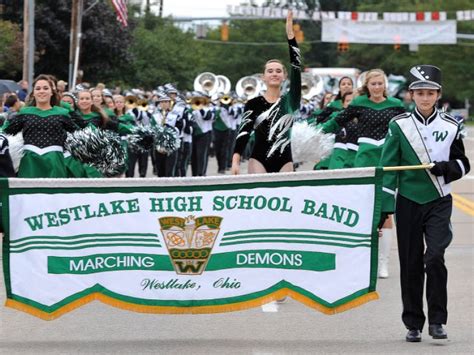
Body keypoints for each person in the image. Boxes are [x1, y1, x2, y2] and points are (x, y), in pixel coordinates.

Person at [380, 65, 470, 343]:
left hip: (438, 200)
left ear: (438, 94)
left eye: (430, 93)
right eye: (420, 93)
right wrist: (384, 207)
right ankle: (413, 323)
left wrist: (445, 167)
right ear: (411, 95)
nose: (425, 97)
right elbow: (387, 167)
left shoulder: (452, 126)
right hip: (408, 200)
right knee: (410, 263)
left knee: (434, 257)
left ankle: (438, 320)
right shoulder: (399, 126)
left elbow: (463, 164)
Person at [321, 69, 404, 278]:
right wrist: (312, 131)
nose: (377, 87)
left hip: (388, 160)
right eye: (373, 84)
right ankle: (363, 260)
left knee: (385, 211)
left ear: (385, 85)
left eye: (380, 83)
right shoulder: (359, 104)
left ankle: (383, 263)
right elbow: (335, 122)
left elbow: (408, 131)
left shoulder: (396, 105)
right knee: (364, 210)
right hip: (364, 159)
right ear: (367, 86)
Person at [232, 10, 301, 175]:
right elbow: (243, 133)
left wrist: (290, 36)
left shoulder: (290, 101)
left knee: (287, 199)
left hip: (285, 160)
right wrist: (235, 161)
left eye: (278, 71)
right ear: (263, 77)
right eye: (270, 71)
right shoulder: (253, 104)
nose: (274, 74)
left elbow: (296, 67)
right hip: (259, 160)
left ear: (284, 76)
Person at [2, 74, 78, 178]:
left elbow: (78, 135)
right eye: (38, 88)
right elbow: (6, 132)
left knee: (54, 193)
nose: (41, 91)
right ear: (33, 93)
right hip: (30, 161)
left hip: (55, 160)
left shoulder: (62, 113)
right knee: (27, 193)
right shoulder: (25, 112)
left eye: (46, 88)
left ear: (52, 92)